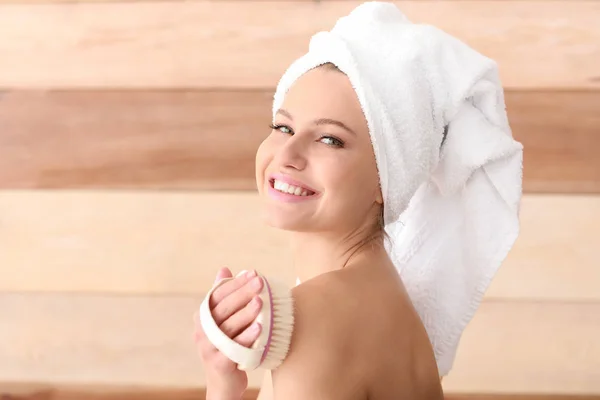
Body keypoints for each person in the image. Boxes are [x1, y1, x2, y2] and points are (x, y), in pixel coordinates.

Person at [193, 2, 523, 399]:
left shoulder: (318, 319)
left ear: (387, 179)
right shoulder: (383, 296)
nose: (288, 154)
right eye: (283, 126)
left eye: (330, 139)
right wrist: (223, 377)